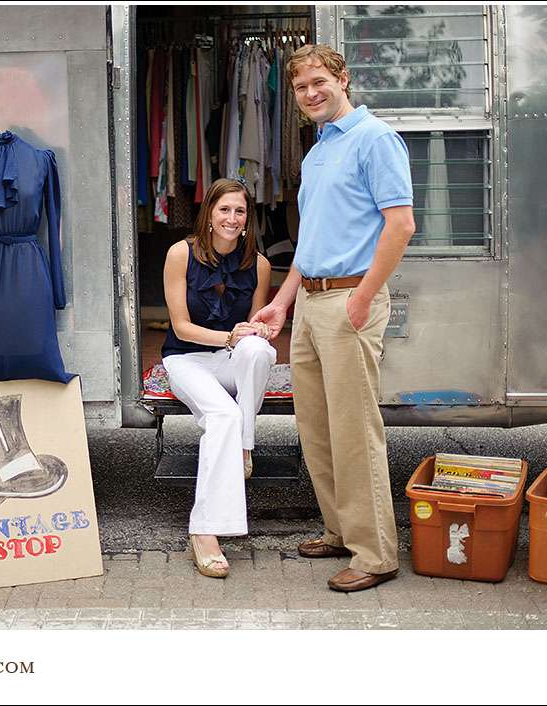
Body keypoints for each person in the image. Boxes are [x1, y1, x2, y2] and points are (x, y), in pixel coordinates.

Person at [251, 44, 415, 592]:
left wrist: (365, 297)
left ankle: (375, 555)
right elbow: (312, 240)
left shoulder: (375, 139)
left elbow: (401, 225)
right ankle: (339, 530)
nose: (311, 93)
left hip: (349, 301)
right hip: (311, 303)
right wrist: (282, 301)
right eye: (300, 88)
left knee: (353, 430)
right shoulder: (318, 151)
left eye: (319, 81)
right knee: (317, 429)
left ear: (343, 79)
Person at [161, 178, 276, 578]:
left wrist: (254, 332)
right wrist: (228, 336)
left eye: (240, 211)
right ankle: (205, 532)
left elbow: (252, 329)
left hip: (230, 358)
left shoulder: (259, 264)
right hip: (187, 359)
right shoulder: (181, 254)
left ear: (248, 219)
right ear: (210, 213)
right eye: (224, 209)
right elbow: (180, 326)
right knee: (222, 417)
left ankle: (245, 445)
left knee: (260, 349)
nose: (231, 218)